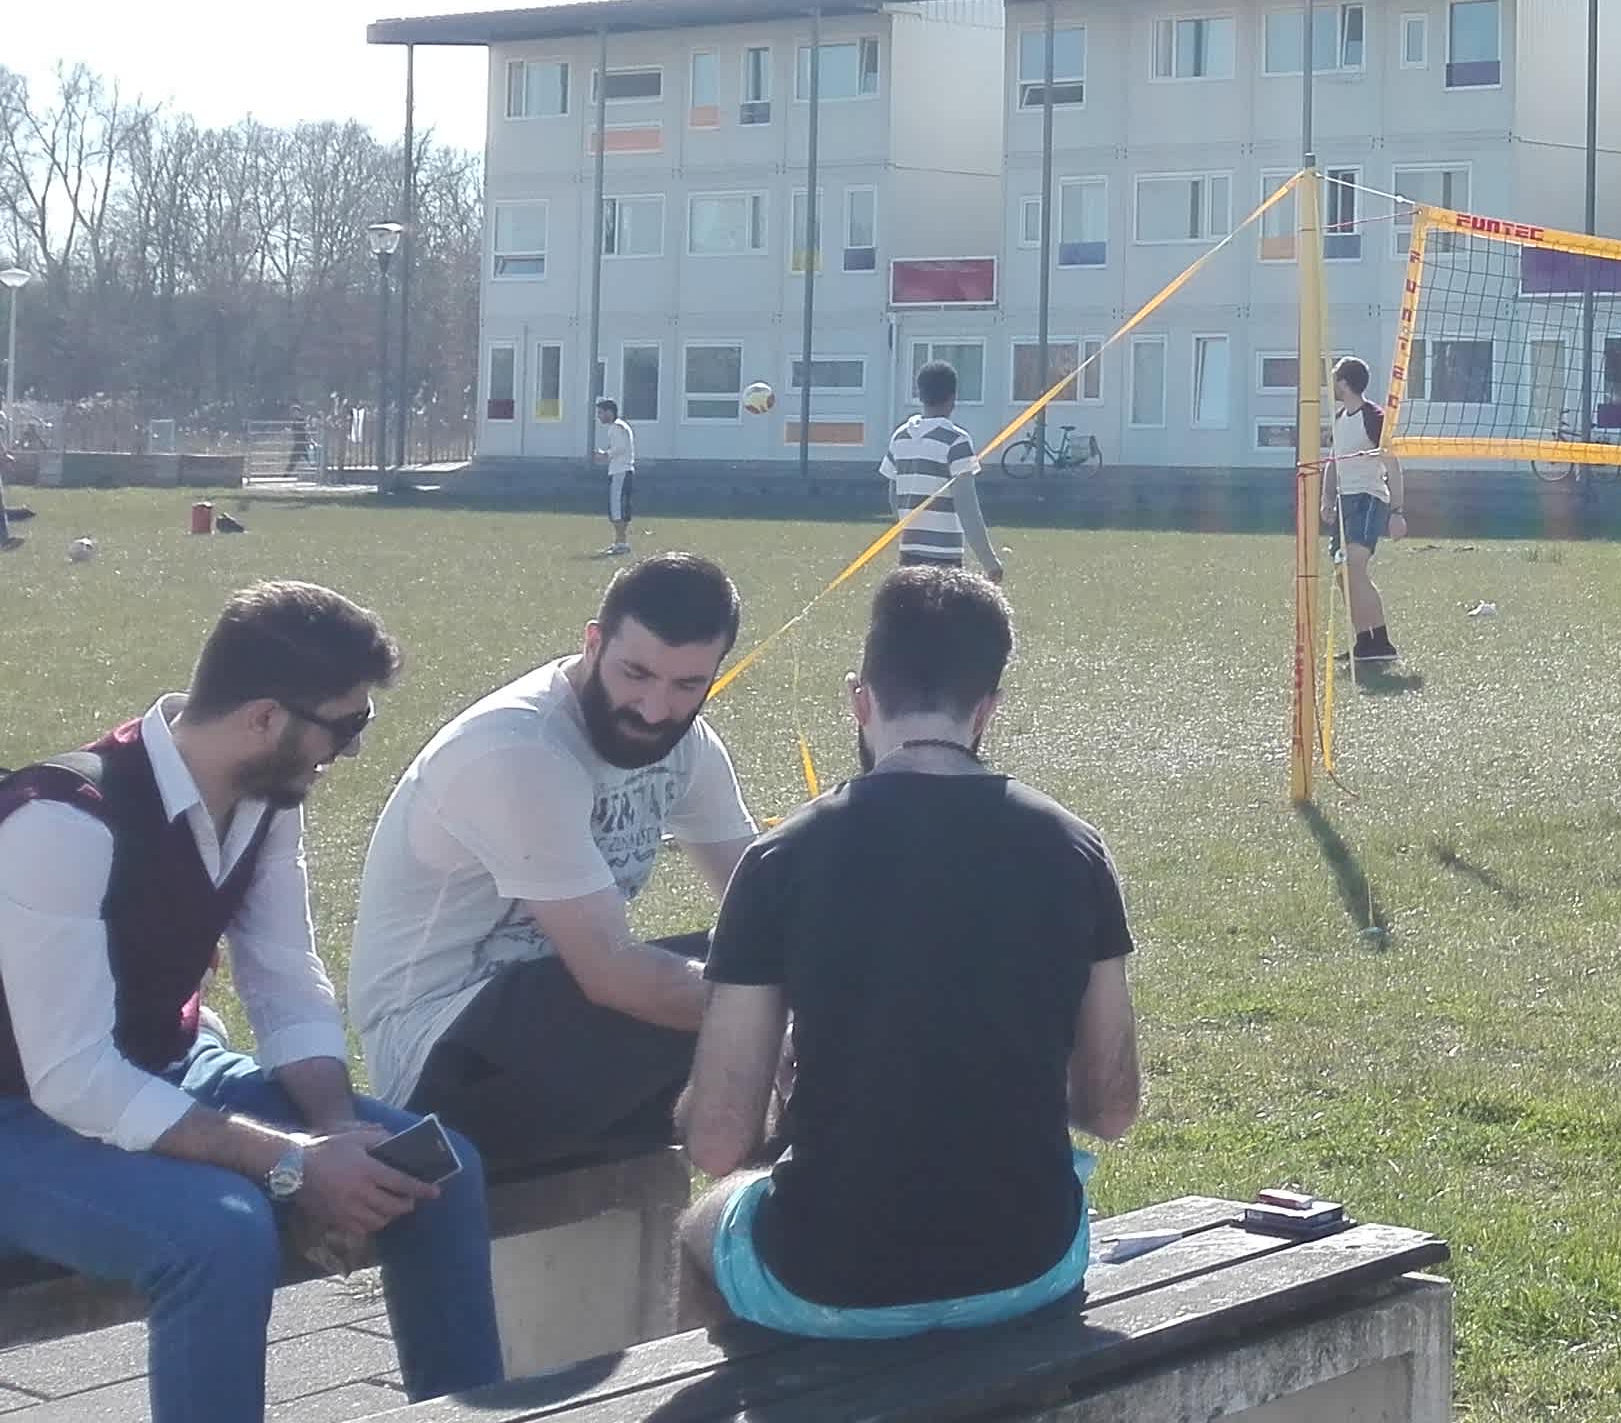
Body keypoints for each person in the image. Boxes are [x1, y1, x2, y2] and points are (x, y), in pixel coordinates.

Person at [0, 583, 505, 1423]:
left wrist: (334, 1126)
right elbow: (72, 1077)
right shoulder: (63, 821)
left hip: (166, 1063)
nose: (346, 751)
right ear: (266, 718)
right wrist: (290, 1161)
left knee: (438, 1167)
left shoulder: (265, 799)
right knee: (221, 1233)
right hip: (24, 1111)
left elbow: (282, 973)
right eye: (345, 728)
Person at [673, 566, 1140, 1339]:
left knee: (700, 1230)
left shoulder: (782, 859)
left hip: (830, 1278)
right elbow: (1112, 1110)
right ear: (985, 710)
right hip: (1032, 1264)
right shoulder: (1075, 849)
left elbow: (719, 1140)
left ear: (861, 699)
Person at [349, 554, 757, 1176]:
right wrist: (784, 1014)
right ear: (593, 643)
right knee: (746, 989)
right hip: (438, 1064)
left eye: (685, 686)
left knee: (770, 960)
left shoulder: (688, 748)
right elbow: (611, 976)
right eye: (635, 673)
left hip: (556, 1033)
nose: (653, 709)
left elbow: (762, 904)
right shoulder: (521, 746)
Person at [885, 361, 1003, 582]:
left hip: (908, 556)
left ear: (919, 395)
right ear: (953, 397)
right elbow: (967, 505)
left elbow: (894, 495)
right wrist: (989, 561)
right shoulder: (956, 441)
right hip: (945, 559)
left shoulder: (900, 437)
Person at [1328, 357, 1403, 671]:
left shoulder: (1373, 417)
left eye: (1334, 378)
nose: (1331, 384)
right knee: (1342, 574)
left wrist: (1397, 511)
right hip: (1345, 500)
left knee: (1355, 567)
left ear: (1344, 382)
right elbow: (1333, 461)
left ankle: (1383, 643)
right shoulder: (1340, 416)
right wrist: (1326, 500)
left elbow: (1393, 466)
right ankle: (1364, 643)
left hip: (1369, 498)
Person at [594, 397, 637, 558]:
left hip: (620, 472)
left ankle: (621, 543)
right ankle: (620, 541)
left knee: (617, 508)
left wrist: (604, 455)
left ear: (609, 412)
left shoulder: (616, 427)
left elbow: (620, 448)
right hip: (623, 471)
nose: (599, 416)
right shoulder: (620, 427)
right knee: (620, 508)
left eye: (600, 413)